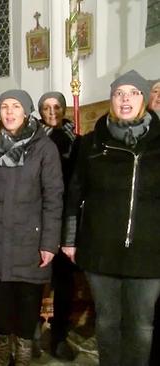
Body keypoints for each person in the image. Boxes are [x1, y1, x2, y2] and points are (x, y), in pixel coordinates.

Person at [63, 70, 160, 366]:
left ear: (144, 99)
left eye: (133, 92)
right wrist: (69, 239)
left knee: (141, 326)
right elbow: (75, 193)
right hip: (101, 248)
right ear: (111, 99)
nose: (125, 99)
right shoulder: (92, 142)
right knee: (106, 322)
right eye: (119, 93)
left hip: (149, 250)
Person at [0, 90, 63, 366]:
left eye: (15, 106)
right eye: (4, 106)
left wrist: (49, 242)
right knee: (1, 298)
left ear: (27, 111)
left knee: (27, 299)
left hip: (30, 239)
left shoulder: (44, 148)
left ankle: (22, 353)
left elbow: (53, 198)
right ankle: (2, 350)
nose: (9, 112)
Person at [37, 91, 78, 361]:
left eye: (57, 107)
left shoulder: (76, 141)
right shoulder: (32, 137)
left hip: (63, 216)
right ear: (39, 111)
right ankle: (29, 330)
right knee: (34, 276)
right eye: (46, 107)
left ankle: (59, 334)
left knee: (64, 279)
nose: (52, 112)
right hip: (35, 216)